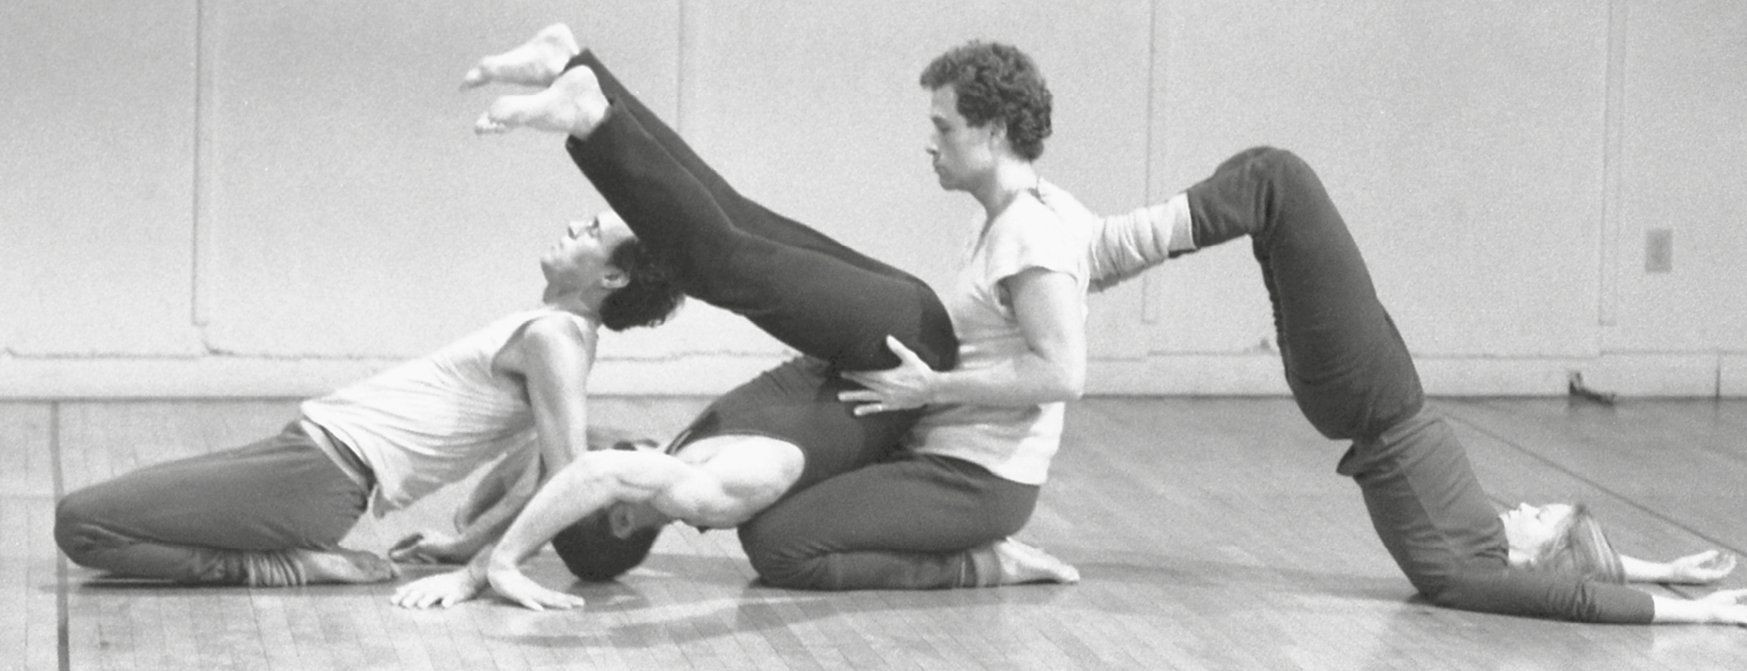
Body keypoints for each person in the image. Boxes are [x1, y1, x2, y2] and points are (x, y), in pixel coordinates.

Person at [392, 26, 1084, 611]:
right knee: (726, 234)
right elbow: (577, 472)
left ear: (993, 131)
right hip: (895, 347)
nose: (930, 143)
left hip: (900, 351)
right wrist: (483, 553)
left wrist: (484, 559)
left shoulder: (1026, 228)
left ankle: (588, 99)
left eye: (943, 126)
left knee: (718, 251)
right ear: (624, 509)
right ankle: (579, 79)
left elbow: (575, 472)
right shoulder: (713, 483)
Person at [1079, 145, 1747, 625]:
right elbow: (1586, 575)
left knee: (1281, 180)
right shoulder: (1485, 552)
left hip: (1366, 387)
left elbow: (1582, 600)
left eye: (1543, 515)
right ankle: (1107, 264)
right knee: (1267, 200)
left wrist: (1698, 612)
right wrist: (1667, 566)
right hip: (1362, 386)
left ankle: (1103, 252)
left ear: (1538, 556)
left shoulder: (1476, 570)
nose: (1528, 503)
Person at [53, 210, 684, 586]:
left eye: (590, 230)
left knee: (84, 524)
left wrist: (486, 568)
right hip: (301, 460)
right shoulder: (560, 337)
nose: (572, 226)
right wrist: (465, 545)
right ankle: (287, 557)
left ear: (611, 276)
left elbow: (568, 479)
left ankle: (287, 568)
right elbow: (551, 472)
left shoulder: (557, 340)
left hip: (316, 478)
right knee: (96, 517)